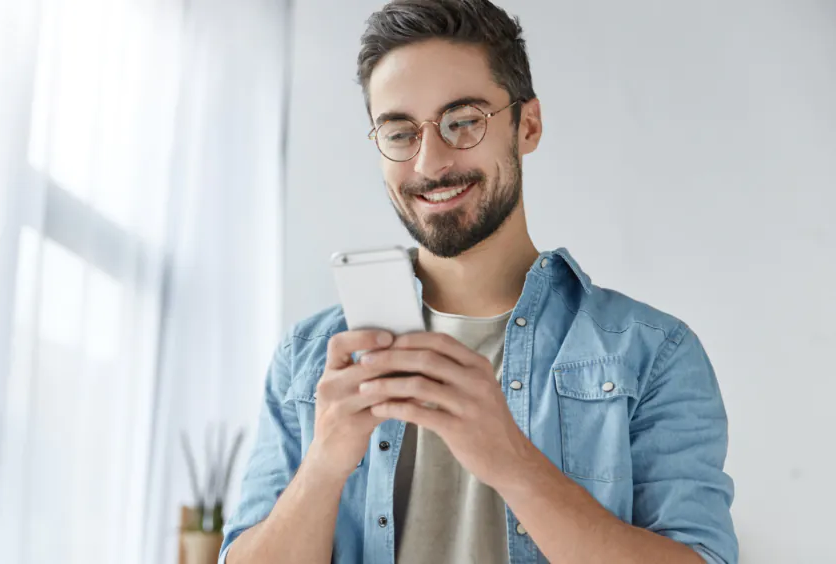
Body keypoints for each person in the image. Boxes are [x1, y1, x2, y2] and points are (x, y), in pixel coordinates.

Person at [219, 1, 738, 562]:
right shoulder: (308, 361)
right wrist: (322, 467)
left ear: (528, 125)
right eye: (399, 133)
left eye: (462, 122)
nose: (429, 163)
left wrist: (511, 462)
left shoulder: (653, 353)